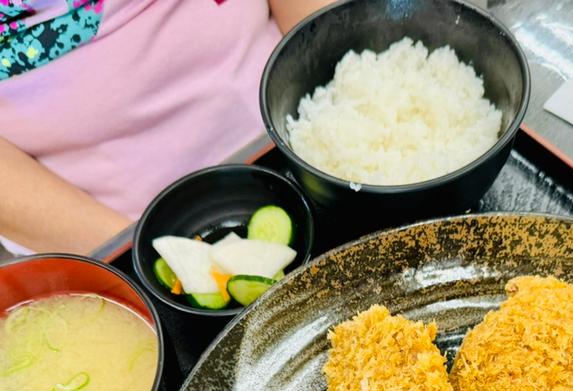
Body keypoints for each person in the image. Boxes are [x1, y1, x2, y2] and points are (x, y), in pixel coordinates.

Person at [0, 0, 333, 255]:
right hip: (110, 230)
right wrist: (148, 259)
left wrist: (341, 95)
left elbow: (324, 26)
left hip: (306, 125)